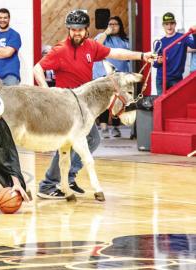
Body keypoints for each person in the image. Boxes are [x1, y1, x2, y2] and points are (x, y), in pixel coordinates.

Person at [32, 9, 155, 199]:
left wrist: (141, 56)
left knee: (92, 140)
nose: (76, 33)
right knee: (66, 145)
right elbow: (37, 68)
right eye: (73, 29)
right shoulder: (60, 50)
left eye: (80, 29)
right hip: (65, 107)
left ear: (86, 30)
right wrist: (46, 90)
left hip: (85, 106)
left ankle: (68, 178)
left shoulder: (91, 46)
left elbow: (116, 53)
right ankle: (48, 185)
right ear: (68, 30)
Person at [92, 16, 131, 138]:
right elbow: (96, 46)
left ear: (120, 26)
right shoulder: (102, 37)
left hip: (119, 76)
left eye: (115, 24)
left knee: (117, 103)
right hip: (102, 76)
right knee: (104, 103)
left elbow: (129, 57)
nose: (113, 26)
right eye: (110, 24)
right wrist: (106, 32)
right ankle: (103, 127)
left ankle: (115, 127)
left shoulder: (125, 41)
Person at [153, 12, 196, 94]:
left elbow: (194, 45)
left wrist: (194, 34)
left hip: (176, 79)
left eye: (171, 23)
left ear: (175, 24)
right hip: (161, 79)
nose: (169, 26)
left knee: (177, 104)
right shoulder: (160, 42)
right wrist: (158, 61)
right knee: (161, 104)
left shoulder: (182, 37)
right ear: (163, 26)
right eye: (166, 24)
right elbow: (154, 64)